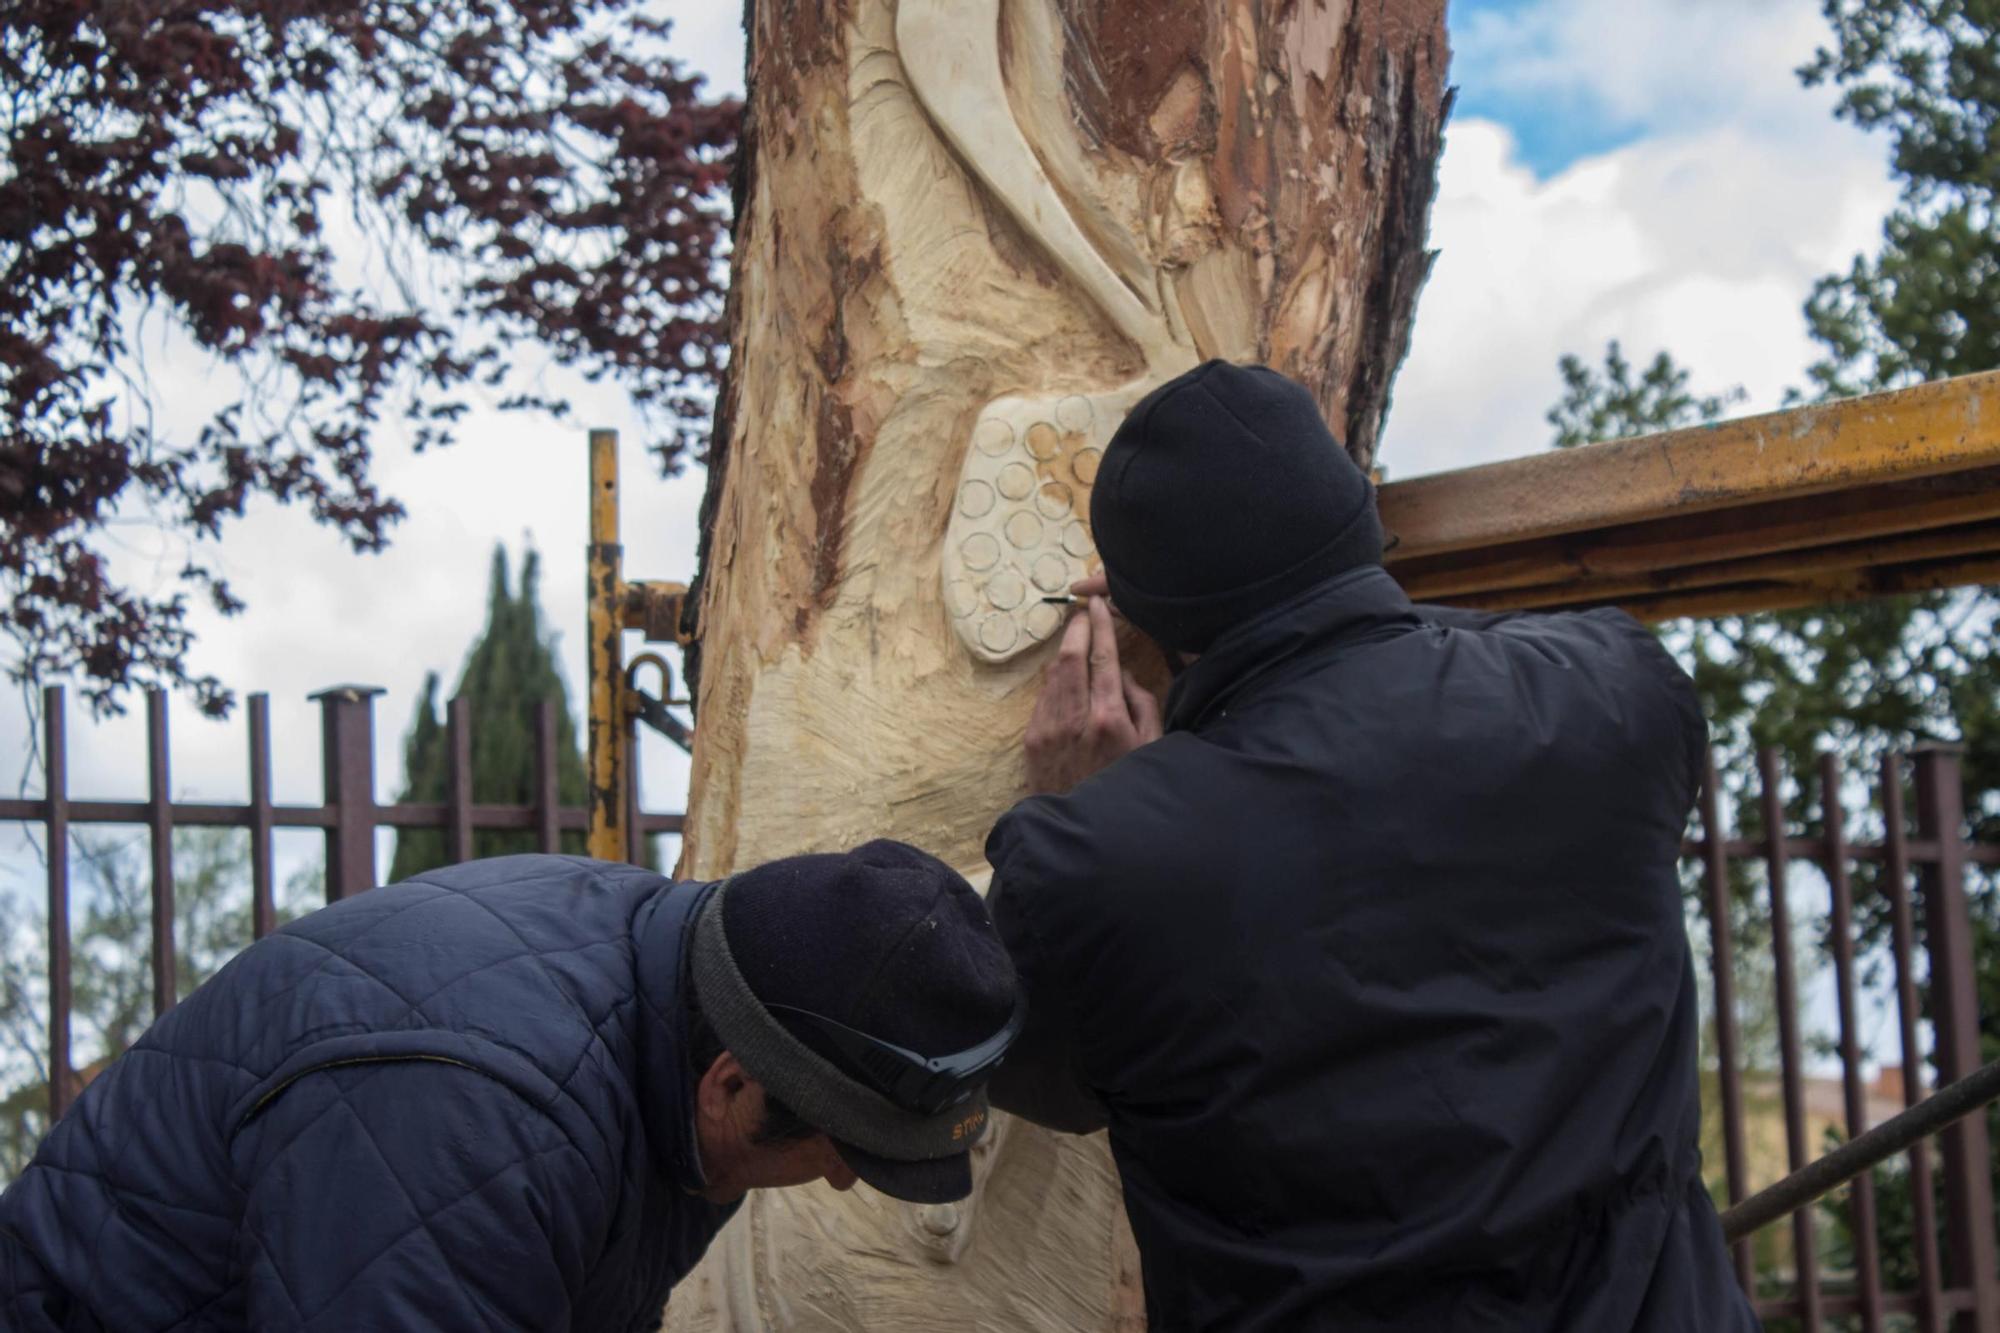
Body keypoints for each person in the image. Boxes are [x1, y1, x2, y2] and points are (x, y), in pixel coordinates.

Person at [986, 360, 1759, 1331]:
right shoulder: (1620, 695)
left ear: (1138, 620)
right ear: (1356, 517)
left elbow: (1023, 1066)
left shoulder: (1093, 863)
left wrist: (1095, 805)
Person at [0, 841, 1021, 1331]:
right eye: (836, 1152)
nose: (840, 1183)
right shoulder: (479, 1124)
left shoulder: (697, 994)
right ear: (729, 1082)